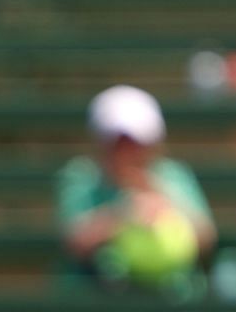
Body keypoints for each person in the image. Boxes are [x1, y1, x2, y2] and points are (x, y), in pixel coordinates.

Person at [58, 85, 216, 293]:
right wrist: (124, 214)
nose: (128, 151)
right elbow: (75, 242)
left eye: (136, 142)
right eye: (118, 142)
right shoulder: (81, 176)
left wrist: (163, 203)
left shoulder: (173, 175)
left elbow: (206, 237)